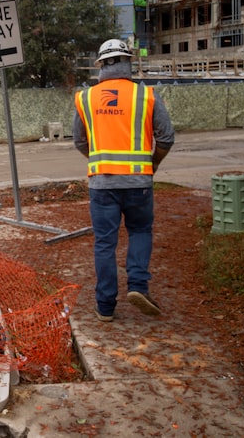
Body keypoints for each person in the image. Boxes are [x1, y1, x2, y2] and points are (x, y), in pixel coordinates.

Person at [72, 39, 175, 322]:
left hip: (102, 184)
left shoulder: (86, 97)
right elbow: (166, 137)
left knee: (105, 243)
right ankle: (138, 286)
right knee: (140, 231)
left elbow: (80, 141)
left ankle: (105, 307)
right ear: (128, 62)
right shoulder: (147, 95)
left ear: (101, 65)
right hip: (139, 183)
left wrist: (100, 160)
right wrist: (150, 165)